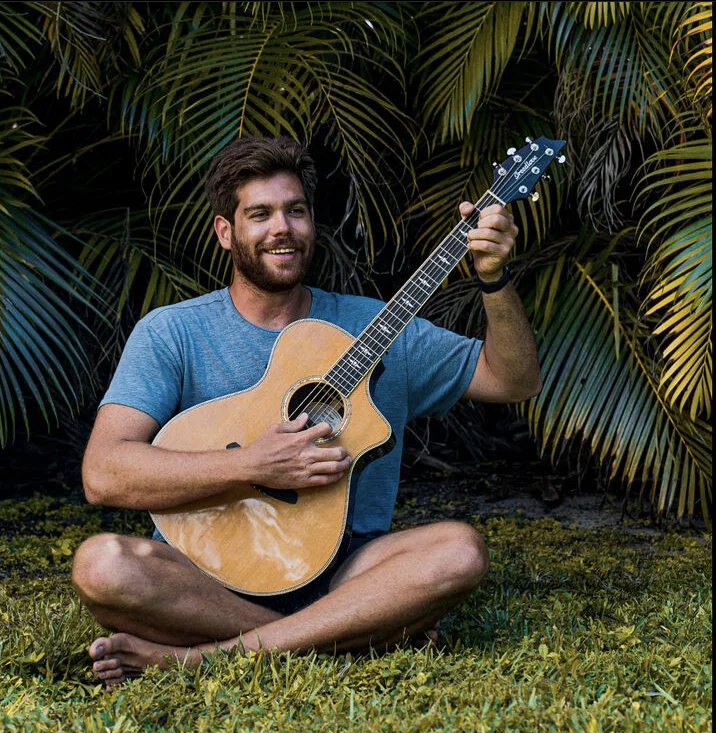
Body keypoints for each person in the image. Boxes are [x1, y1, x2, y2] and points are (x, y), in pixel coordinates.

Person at [72, 135, 541, 688]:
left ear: (312, 223)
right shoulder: (172, 332)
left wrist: (493, 278)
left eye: (296, 211)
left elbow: (513, 380)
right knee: (101, 564)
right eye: (260, 214)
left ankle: (202, 658)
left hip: (348, 573)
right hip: (206, 576)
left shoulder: (379, 327)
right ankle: (346, 636)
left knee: (459, 551)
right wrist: (252, 465)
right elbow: (103, 473)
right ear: (225, 232)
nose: (282, 228)